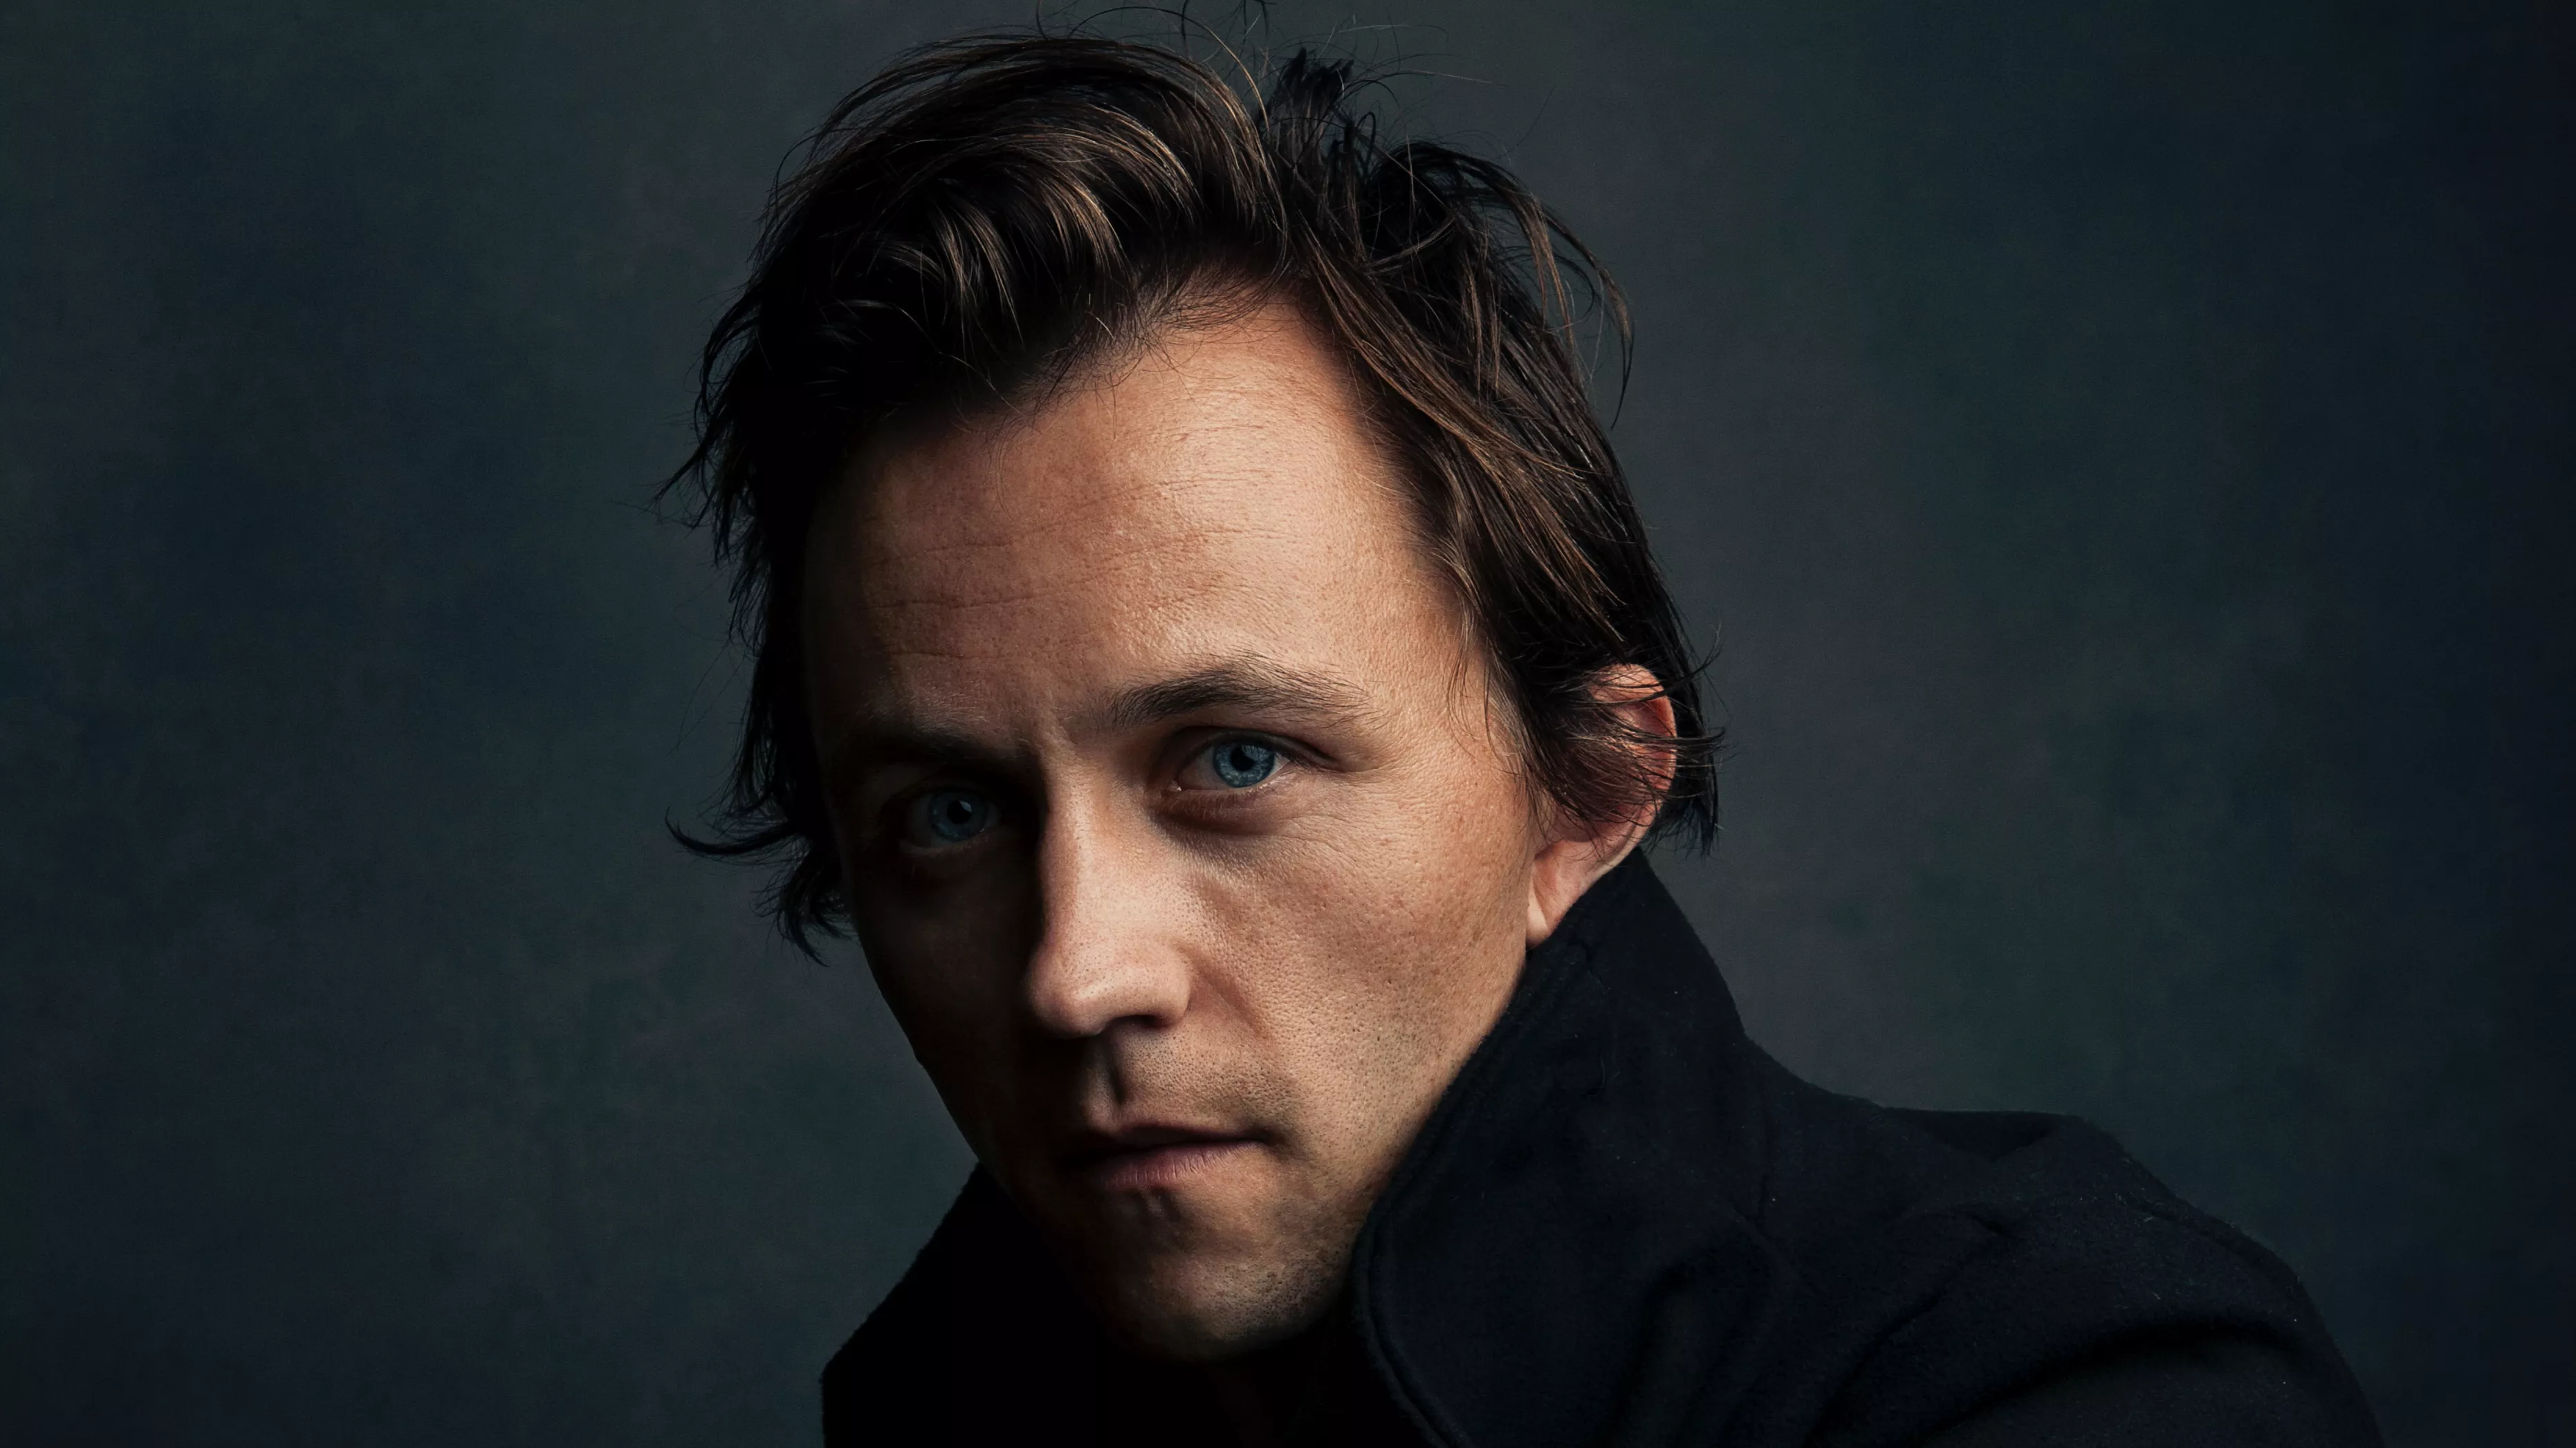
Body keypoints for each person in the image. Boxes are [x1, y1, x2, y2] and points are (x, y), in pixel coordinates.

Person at [670, 30, 2382, 1447]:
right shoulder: (937, 1406)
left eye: (1233, 761)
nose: (1073, 975)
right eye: (951, 813)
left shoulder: (2061, 1382)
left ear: (1581, 791)